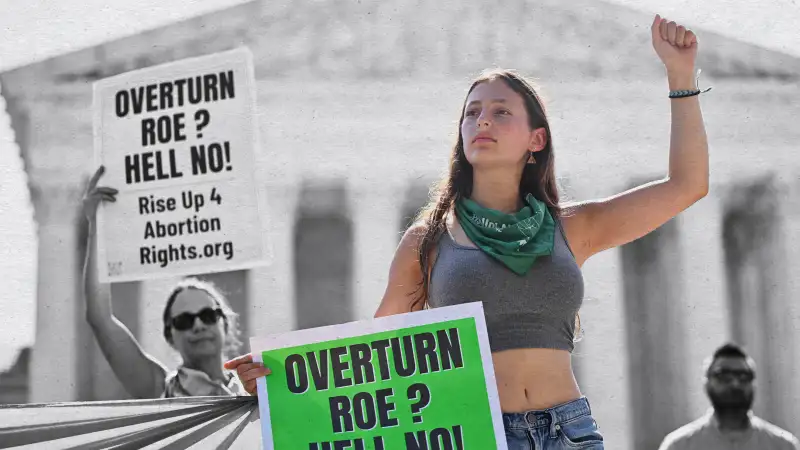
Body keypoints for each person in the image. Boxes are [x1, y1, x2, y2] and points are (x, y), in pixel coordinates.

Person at [226, 14, 710, 449]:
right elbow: (369, 359)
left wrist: (680, 76)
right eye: (472, 113)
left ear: (536, 139)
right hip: (481, 432)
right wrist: (280, 382)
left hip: (571, 432)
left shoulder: (573, 227)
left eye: (501, 112)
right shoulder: (428, 241)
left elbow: (687, 186)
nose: (483, 121)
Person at [81, 165, 245, 398]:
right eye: (184, 321)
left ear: (225, 324)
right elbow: (100, 318)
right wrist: (97, 226)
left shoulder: (257, 389)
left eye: (208, 315)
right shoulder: (160, 388)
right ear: (170, 336)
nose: (198, 325)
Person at [658, 343, 799, 450]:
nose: (735, 384)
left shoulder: (782, 446)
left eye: (743, 376)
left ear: (753, 384)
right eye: (724, 376)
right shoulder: (680, 446)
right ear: (707, 383)